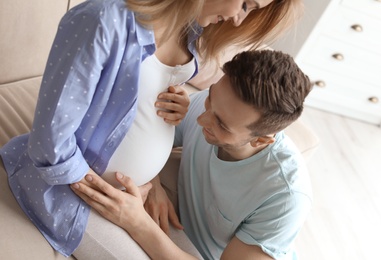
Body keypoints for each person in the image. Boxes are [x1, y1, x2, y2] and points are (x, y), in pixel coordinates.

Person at [0, 0, 303, 257]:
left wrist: (151, 179)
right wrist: (110, 198)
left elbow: (143, 105)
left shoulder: (192, 31)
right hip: (78, 192)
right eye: (247, 3)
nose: (240, 19)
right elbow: (50, 143)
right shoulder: (103, 21)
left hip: (137, 190)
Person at [72, 49, 314, 259]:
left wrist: (137, 222)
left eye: (221, 125)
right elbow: (142, 140)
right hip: (178, 235)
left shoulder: (285, 197)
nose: (200, 118)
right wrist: (153, 182)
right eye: (210, 98)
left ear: (262, 139)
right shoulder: (207, 108)